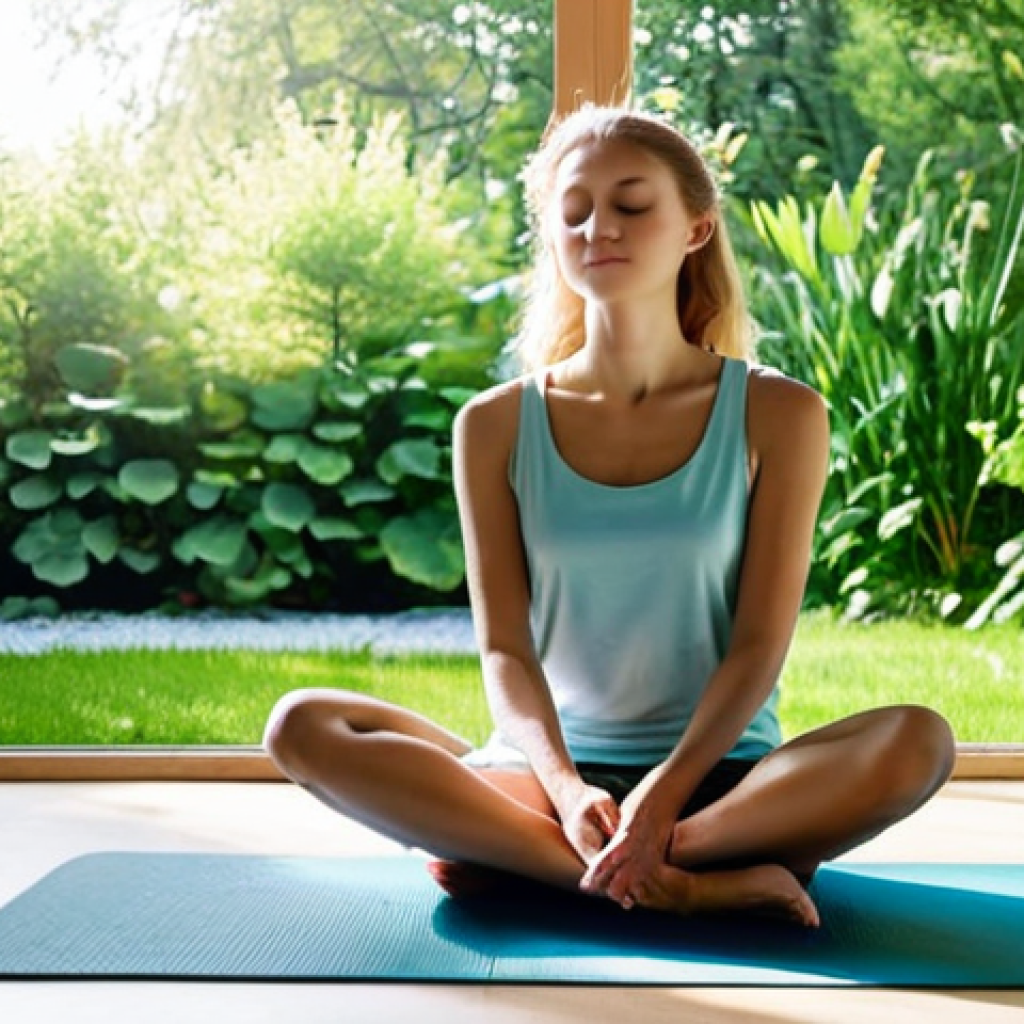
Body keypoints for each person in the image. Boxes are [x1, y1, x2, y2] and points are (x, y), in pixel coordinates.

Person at [264, 105, 955, 928]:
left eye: (631, 205)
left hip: (720, 778)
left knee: (921, 739)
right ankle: (690, 886)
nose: (599, 226)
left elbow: (758, 648)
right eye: (574, 209)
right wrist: (563, 787)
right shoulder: (492, 424)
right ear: (552, 236)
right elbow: (504, 649)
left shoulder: (781, 413)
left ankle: (543, 861)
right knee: (301, 726)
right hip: (552, 775)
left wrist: (661, 796)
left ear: (696, 230)